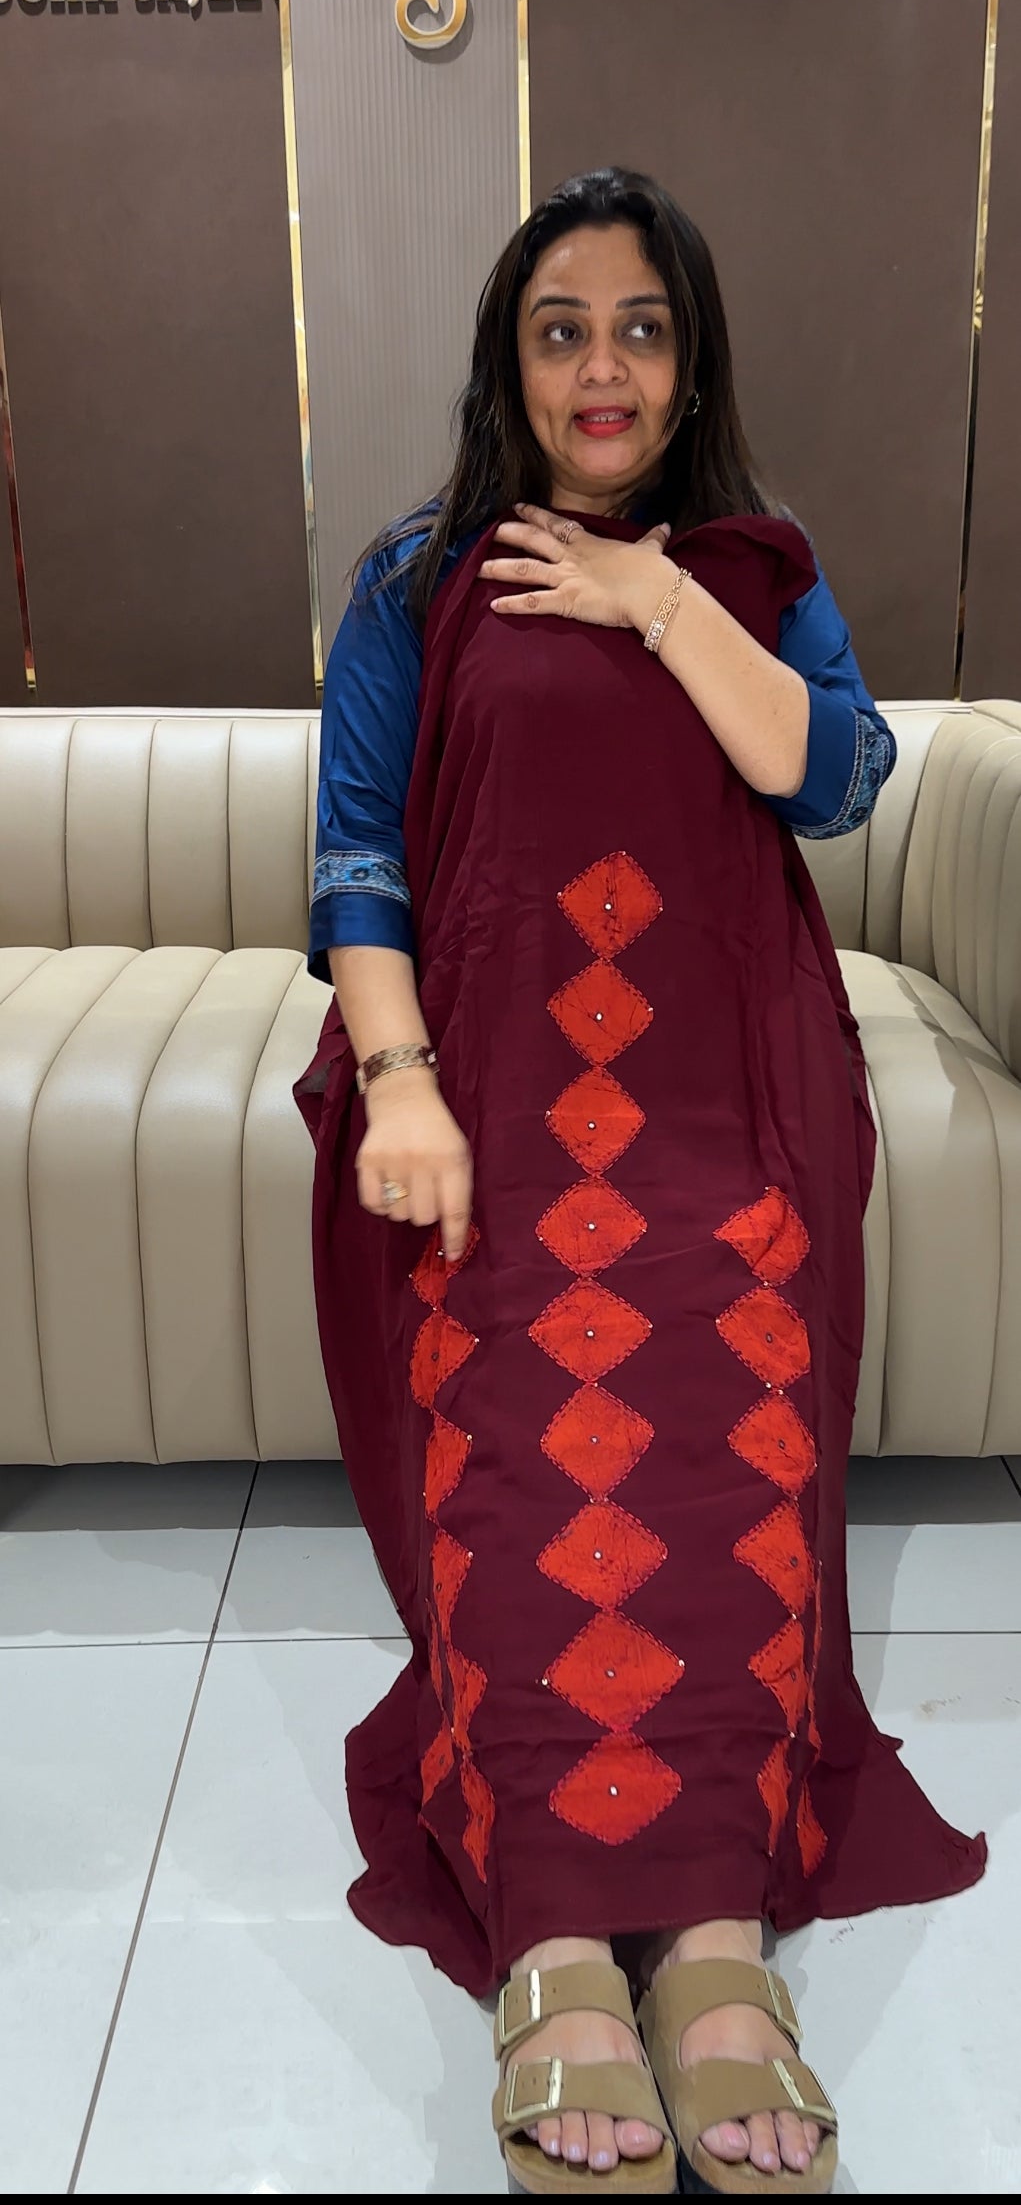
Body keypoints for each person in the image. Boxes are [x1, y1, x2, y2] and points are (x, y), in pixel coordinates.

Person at [294, 169, 985, 2197]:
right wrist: (401, 1083)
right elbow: (356, 857)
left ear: (689, 368)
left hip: (732, 1113)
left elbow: (835, 780)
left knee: (718, 1482)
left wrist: (655, 599)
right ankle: (562, 1925)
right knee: (530, 1485)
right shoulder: (420, 576)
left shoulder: (756, 567)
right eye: (559, 328)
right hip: (491, 1117)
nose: (601, 367)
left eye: (642, 328)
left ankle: (707, 1929)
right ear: (507, 364)